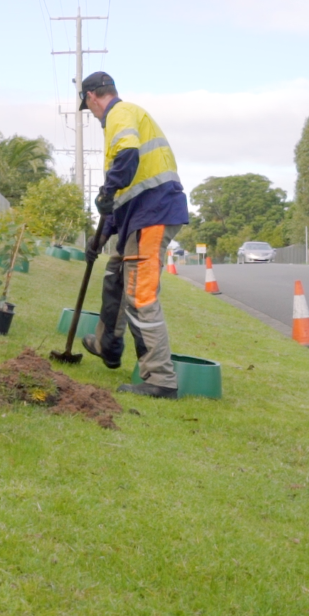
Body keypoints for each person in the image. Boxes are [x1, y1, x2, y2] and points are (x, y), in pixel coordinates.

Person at [77, 71, 190, 399]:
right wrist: (99, 238)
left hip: (153, 214)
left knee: (140, 294)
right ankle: (107, 343)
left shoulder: (120, 114)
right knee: (115, 277)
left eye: (90, 108)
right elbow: (120, 196)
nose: (93, 115)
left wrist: (107, 189)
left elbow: (127, 161)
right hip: (138, 215)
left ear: (92, 97)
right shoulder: (122, 121)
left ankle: (160, 379)